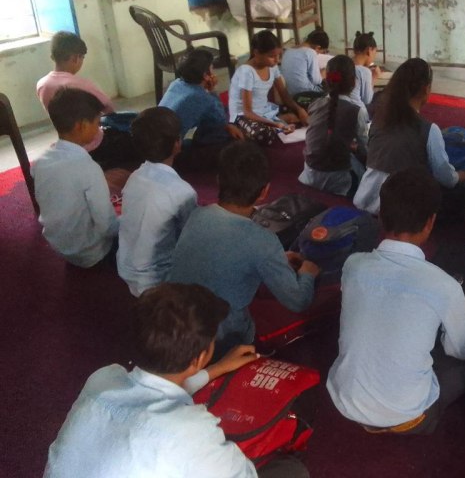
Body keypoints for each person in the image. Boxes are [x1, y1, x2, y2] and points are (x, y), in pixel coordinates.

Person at [45, 282, 309, 478]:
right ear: (200, 357)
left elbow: (157, 388)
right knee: (291, 470)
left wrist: (217, 368)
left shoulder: (103, 379)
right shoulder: (191, 430)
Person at [328, 168, 465, 434]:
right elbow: (461, 350)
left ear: (380, 215)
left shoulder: (353, 265)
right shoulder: (444, 285)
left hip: (344, 401)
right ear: (430, 223)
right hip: (410, 416)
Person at [169, 141, 319, 356]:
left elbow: (224, 254)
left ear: (218, 180)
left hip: (173, 324)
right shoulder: (262, 241)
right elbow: (298, 301)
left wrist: (275, 258)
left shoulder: (197, 215)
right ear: (264, 191)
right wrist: (307, 274)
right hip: (217, 342)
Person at [353, 57, 465, 214]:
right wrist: (460, 176)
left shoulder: (378, 120)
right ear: (426, 89)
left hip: (364, 198)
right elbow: (446, 178)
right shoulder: (429, 130)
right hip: (397, 210)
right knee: (461, 191)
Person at [32, 88, 118, 268]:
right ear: (81, 126)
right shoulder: (88, 168)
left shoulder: (40, 162)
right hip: (93, 253)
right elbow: (107, 226)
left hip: (60, 247)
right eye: (97, 123)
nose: (99, 128)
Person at [117, 107, 198, 296]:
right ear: (177, 143)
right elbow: (190, 237)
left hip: (125, 269)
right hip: (158, 280)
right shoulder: (183, 192)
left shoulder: (134, 177)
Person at [36, 31, 138, 170]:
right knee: (134, 127)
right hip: (95, 144)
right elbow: (108, 107)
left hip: (67, 138)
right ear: (75, 58)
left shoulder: (41, 85)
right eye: (82, 58)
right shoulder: (80, 84)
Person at [159, 49, 244, 170]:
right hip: (171, 155)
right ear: (205, 75)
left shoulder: (176, 83)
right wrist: (212, 91)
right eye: (212, 68)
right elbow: (221, 121)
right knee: (232, 144)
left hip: (157, 144)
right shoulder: (201, 96)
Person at [298, 55, 368, 197]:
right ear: (354, 82)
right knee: (366, 170)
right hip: (338, 180)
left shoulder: (315, 104)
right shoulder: (357, 111)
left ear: (326, 80)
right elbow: (366, 150)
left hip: (309, 173)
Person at [228, 30, 308, 143]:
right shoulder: (246, 72)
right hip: (244, 116)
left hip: (264, 110)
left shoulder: (272, 67)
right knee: (261, 134)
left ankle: (280, 121)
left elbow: (285, 95)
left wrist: (299, 110)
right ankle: (279, 122)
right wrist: (275, 124)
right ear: (256, 53)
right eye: (272, 56)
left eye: (279, 55)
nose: (277, 60)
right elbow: (247, 112)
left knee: (307, 107)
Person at [280, 28, 330, 104]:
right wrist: (323, 74)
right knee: (332, 82)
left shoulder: (288, 50)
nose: (318, 54)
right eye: (321, 52)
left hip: (289, 93)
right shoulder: (310, 52)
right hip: (305, 95)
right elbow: (316, 81)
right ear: (318, 47)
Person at [351, 30, 380, 106]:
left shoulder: (342, 63)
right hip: (356, 110)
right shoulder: (364, 72)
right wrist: (374, 77)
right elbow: (367, 100)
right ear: (369, 51)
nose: (374, 56)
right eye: (375, 52)